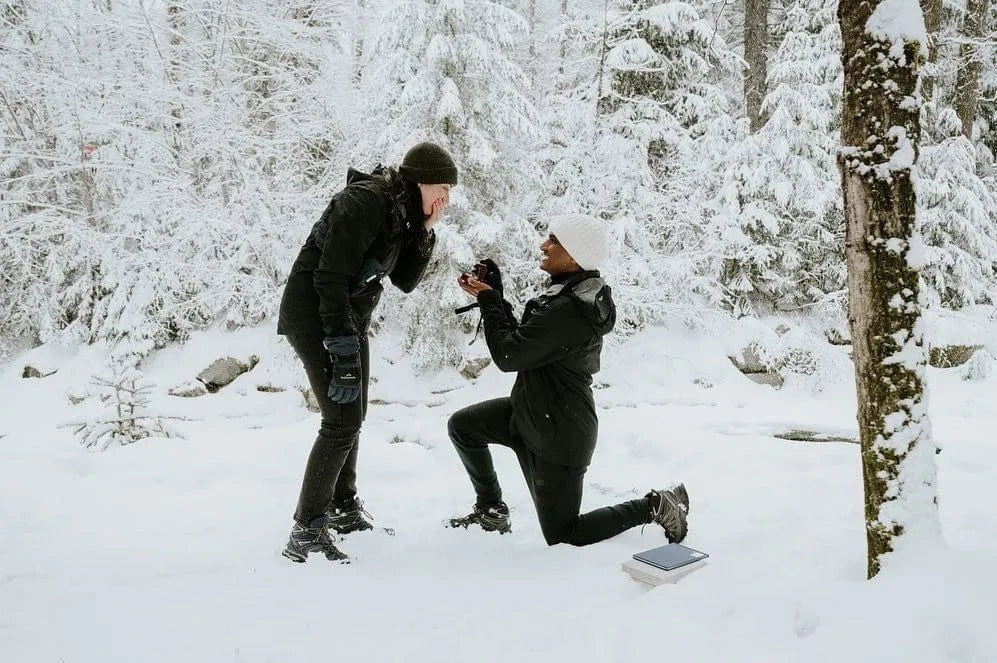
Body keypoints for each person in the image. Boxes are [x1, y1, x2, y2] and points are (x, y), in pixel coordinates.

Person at [447, 213, 690, 546]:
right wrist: (495, 297)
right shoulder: (566, 297)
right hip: (529, 415)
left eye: (553, 241)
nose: (543, 246)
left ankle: (656, 505)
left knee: (564, 534)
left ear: (575, 255)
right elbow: (527, 342)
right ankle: (491, 510)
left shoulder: (571, 311)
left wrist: (490, 302)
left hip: (558, 436)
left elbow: (509, 355)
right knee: (463, 426)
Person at [277, 142, 458, 563]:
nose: (446, 198)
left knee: (353, 413)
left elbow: (406, 281)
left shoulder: (404, 214)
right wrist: (340, 350)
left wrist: (428, 229)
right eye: (442, 188)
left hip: (347, 318)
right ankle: (306, 530)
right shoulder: (366, 202)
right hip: (315, 316)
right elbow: (329, 277)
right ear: (421, 181)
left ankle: (341, 508)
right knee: (340, 419)